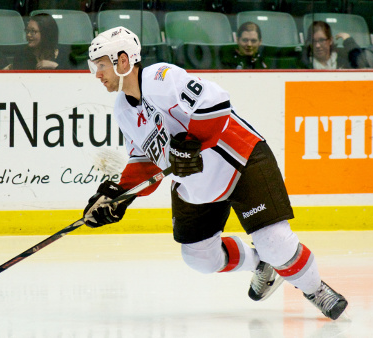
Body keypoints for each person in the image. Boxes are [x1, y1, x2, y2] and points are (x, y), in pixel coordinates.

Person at [83, 26, 349, 320]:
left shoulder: (161, 78)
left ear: (123, 61)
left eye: (101, 65)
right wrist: (120, 195)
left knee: (274, 242)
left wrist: (190, 143)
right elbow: (146, 159)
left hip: (239, 160)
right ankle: (261, 264)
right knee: (199, 257)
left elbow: (217, 103)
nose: (97, 74)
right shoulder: (122, 109)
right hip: (198, 183)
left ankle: (315, 289)